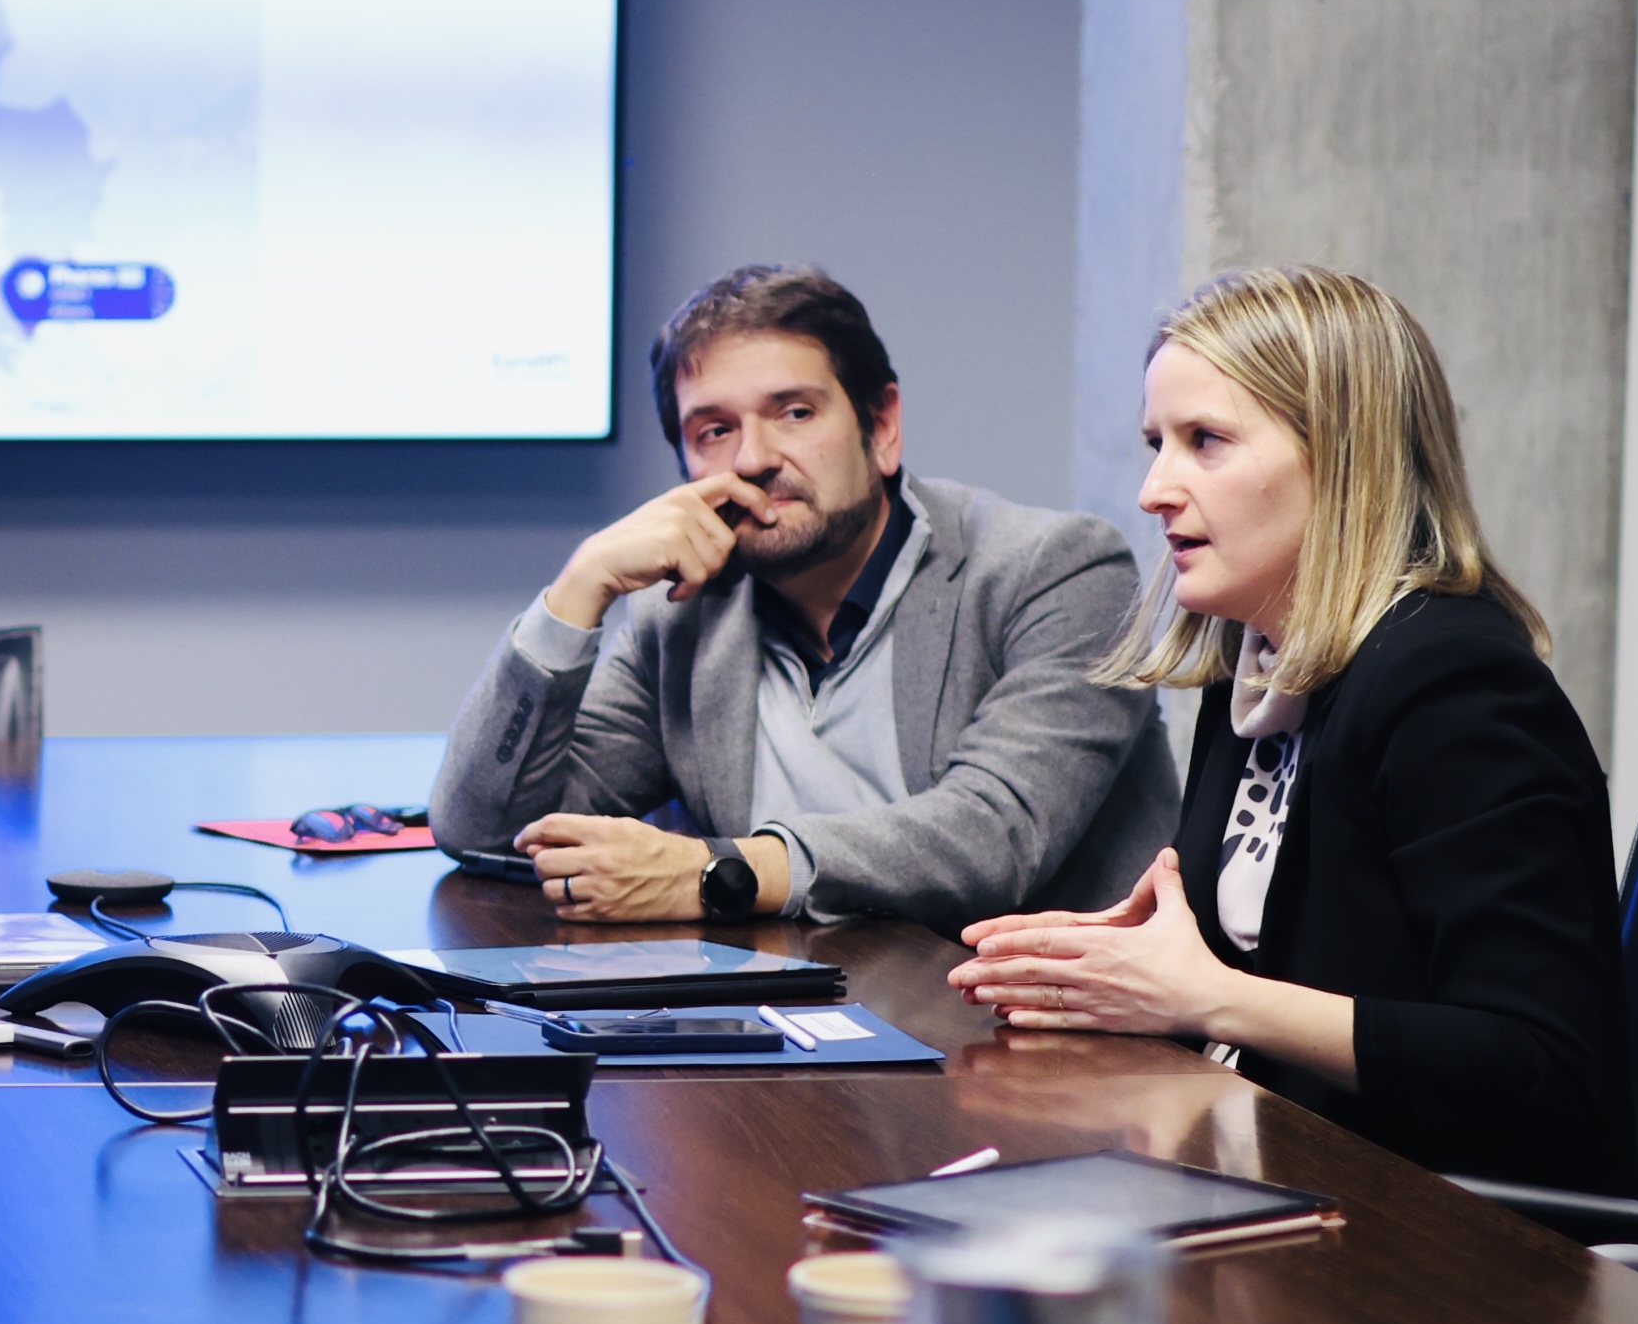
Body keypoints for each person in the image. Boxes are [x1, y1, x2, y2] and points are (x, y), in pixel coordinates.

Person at [952, 264, 1622, 1184]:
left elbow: (1537, 1069)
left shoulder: (1454, 685)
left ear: (1344, 458)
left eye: (1204, 442)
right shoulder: (1259, 656)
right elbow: (1262, 966)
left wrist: (1208, 996)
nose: (1153, 489)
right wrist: (1132, 973)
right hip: (1281, 1177)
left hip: (1438, 1246)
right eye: (1156, 443)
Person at [430, 262, 1176, 930]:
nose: (753, 458)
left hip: (1050, 1044)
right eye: (714, 430)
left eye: (794, 413)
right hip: (807, 1023)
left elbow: (992, 835)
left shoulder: (1058, 570)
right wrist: (578, 587)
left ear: (880, 428)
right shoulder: (680, 616)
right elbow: (489, 833)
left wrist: (715, 873)